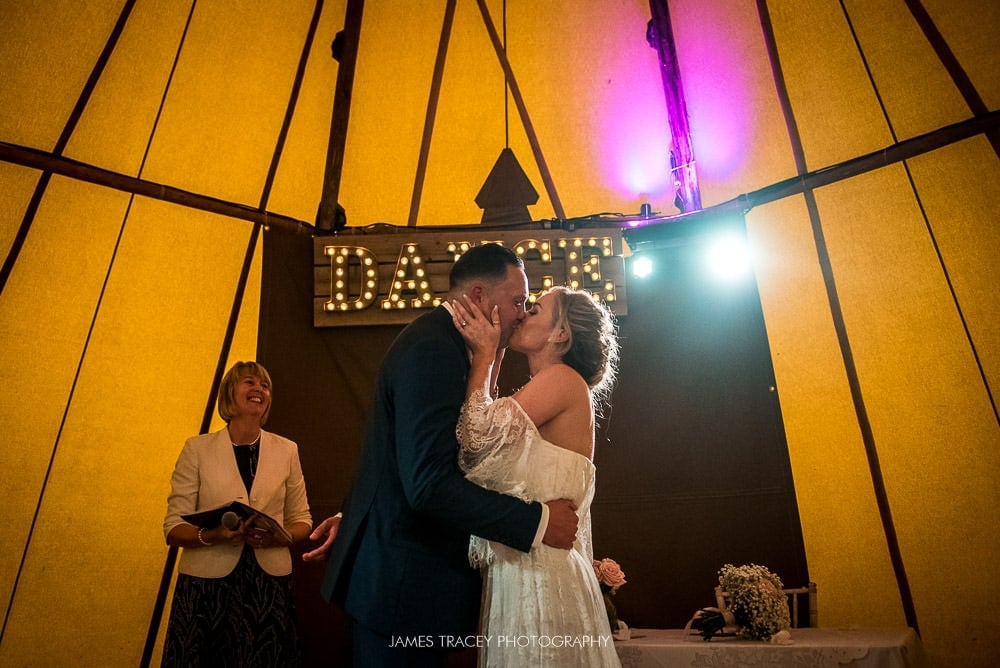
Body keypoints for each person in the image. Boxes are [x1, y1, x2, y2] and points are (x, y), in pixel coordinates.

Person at [303, 243, 579, 667]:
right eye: (517, 301)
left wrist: (358, 514)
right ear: (479, 298)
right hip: (403, 588)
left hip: (414, 581)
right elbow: (429, 485)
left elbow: (408, 459)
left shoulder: (452, 346)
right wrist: (536, 521)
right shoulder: (433, 349)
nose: (521, 313)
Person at [449, 285, 621, 667]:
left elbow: (475, 436)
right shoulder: (550, 386)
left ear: (560, 334)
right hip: (525, 569)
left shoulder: (561, 379)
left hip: (542, 580)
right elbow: (485, 436)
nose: (524, 313)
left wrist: (484, 355)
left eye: (536, 308)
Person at [162, 361, 313, 667]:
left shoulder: (287, 450)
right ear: (229, 393)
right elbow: (173, 527)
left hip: (266, 588)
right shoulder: (196, 449)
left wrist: (278, 537)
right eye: (249, 382)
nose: (259, 389)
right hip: (205, 589)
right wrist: (212, 535)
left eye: (265, 385)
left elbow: (303, 520)